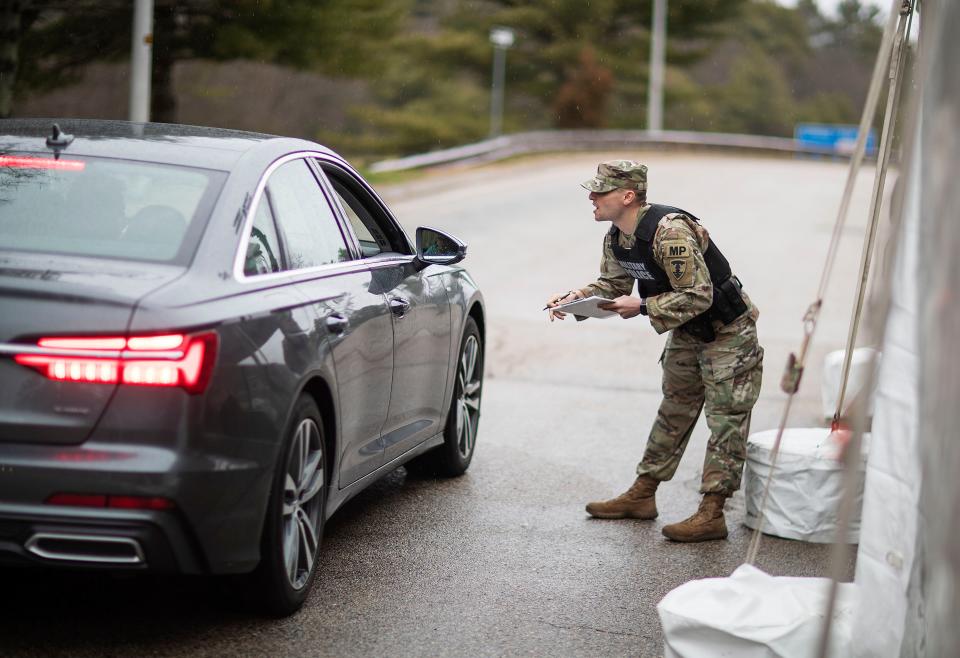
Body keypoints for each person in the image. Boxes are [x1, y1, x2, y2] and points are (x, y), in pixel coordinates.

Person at [546, 160, 763, 543]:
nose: (592, 197)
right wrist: (574, 298)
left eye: (600, 191)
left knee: (725, 418)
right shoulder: (617, 235)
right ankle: (642, 494)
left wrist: (642, 307)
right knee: (674, 408)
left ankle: (713, 512)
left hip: (727, 331)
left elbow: (699, 294)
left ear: (627, 196)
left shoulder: (670, 233)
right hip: (686, 329)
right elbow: (613, 283)